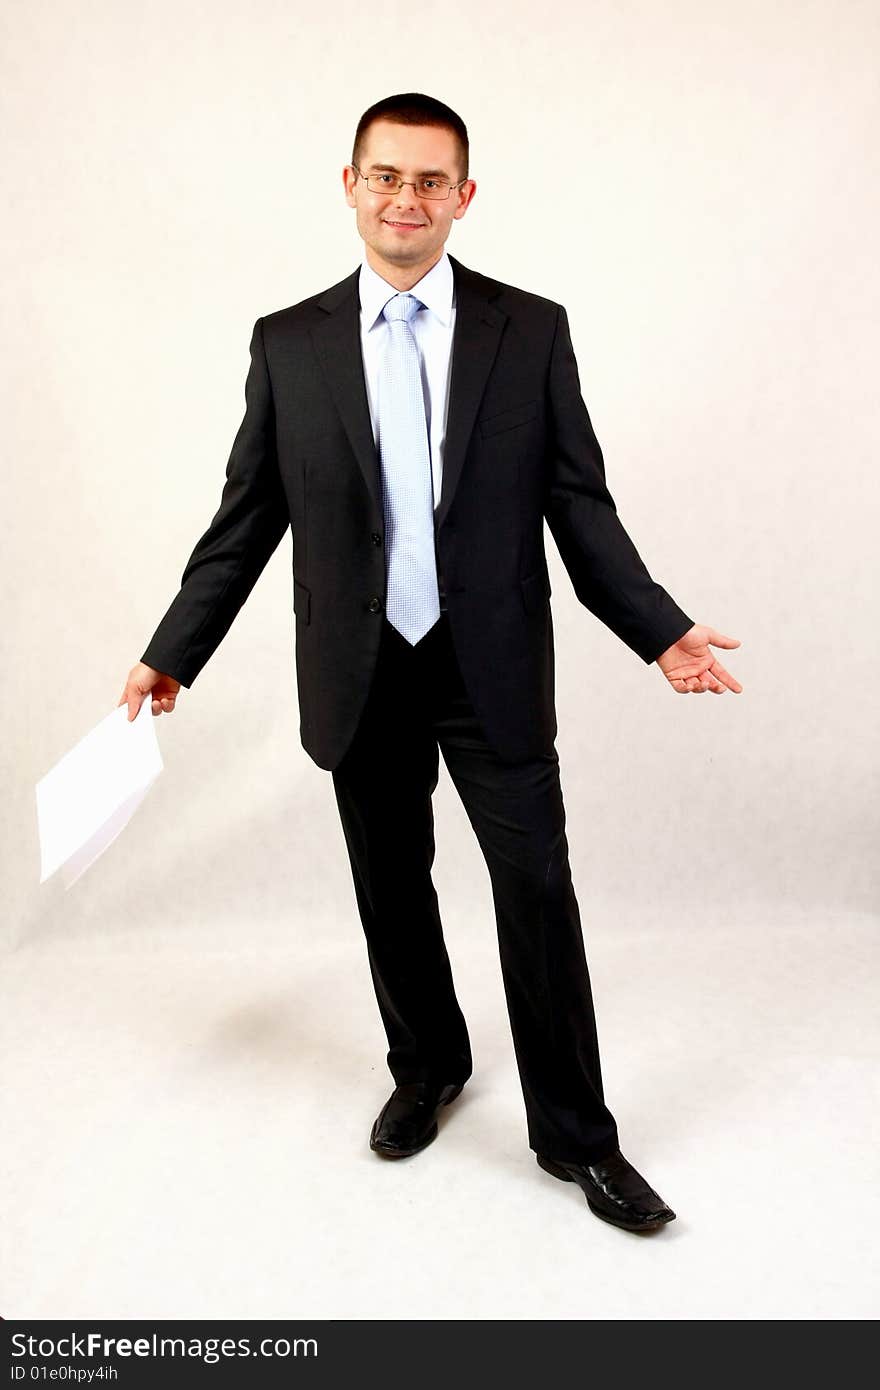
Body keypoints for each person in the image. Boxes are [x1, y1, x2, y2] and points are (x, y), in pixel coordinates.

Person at [119, 92, 742, 1235]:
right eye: (384, 176)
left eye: (428, 180)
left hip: (489, 661)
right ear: (349, 185)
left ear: (463, 195)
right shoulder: (290, 342)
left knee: (536, 891)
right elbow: (247, 517)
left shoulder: (530, 329)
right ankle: (427, 1065)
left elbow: (575, 503)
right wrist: (175, 651)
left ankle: (579, 1141)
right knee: (389, 884)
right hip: (360, 667)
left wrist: (658, 627)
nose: (405, 198)